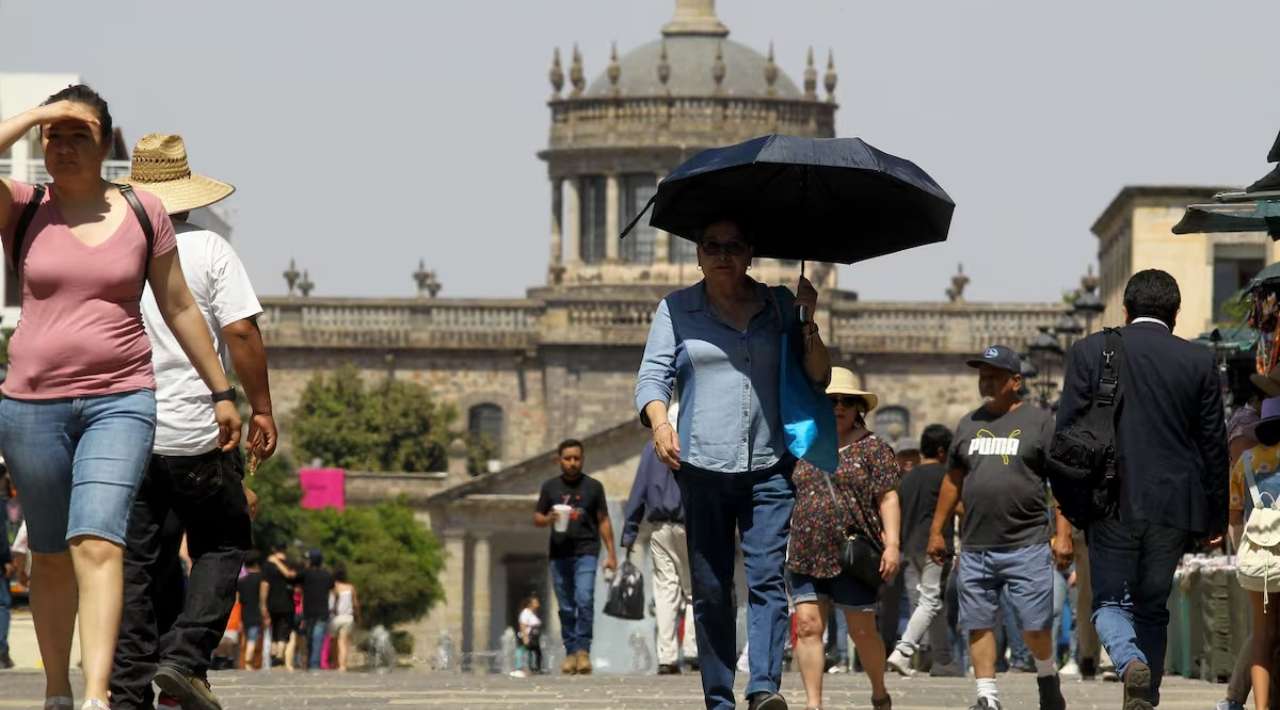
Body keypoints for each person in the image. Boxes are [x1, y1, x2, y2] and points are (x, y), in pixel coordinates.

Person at [0, 85, 241, 710]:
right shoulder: (22, 205)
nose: (64, 145)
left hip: (121, 398)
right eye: (55, 136)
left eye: (80, 133)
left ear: (106, 142)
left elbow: (180, 304)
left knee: (99, 541)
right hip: (32, 404)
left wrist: (223, 390)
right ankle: (58, 690)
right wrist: (36, 114)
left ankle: (99, 696)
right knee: (51, 553)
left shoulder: (142, 211)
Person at [109, 133, 276, 710]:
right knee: (223, 540)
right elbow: (240, 331)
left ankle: (127, 689)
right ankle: (184, 658)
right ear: (184, 194)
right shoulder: (208, 251)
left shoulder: (109, 247)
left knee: (136, 565)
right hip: (195, 430)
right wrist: (261, 406)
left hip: (123, 430)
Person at [635, 218, 831, 710]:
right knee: (711, 586)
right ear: (698, 255)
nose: (723, 255)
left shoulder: (780, 306)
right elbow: (652, 378)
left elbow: (820, 376)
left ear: (750, 254)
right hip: (702, 465)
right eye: (712, 246)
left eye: (734, 246)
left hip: (769, 464)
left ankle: (764, 686)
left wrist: (807, 320)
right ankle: (718, 696)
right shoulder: (676, 310)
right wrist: (660, 424)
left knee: (766, 577)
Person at [1057, 269, 1229, 710]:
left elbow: (1066, 437)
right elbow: (1213, 445)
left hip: (1110, 501)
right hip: (1174, 507)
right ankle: (1145, 699)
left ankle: (1130, 663)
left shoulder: (1089, 352)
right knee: (1153, 607)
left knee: (1110, 601)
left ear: (1126, 310)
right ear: (1175, 314)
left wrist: (1071, 508)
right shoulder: (1198, 361)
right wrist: (1215, 515)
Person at [928, 345, 1072, 710]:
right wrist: (937, 529)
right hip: (976, 545)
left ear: (1016, 381)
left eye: (993, 375)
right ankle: (987, 696)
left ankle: (1045, 675)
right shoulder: (968, 424)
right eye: (982, 375)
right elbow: (952, 481)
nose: (986, 381)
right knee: (978, 623)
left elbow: (1062, 483)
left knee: (1034, 627)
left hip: (1027, 543)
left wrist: (1064, 532)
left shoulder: (1040, 423)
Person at [786, 370, 900, 710]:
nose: (839, 407)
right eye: (831, 400)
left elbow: (889, 498)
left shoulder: (874, 448)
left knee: (861, 631)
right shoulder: (801, 445)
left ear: (858, 408)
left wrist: (892, 544)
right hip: (806, 551)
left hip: (853, 553)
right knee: (807, 627)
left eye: (847, 401)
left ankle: (879, 690)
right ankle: (813, 704)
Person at [621, 404, 697, 675]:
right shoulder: (694, 445)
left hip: (658, 529)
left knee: (665, 591)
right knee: (693, 589)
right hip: (692, 526)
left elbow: (638, 491)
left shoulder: (650, 450)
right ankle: (692, 650)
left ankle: (666, 656)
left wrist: (629, 531)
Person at [533, 439, 618, 675]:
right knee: (567, 606)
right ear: (559, 460)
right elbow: (537, 518)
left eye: (576, 458)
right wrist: (549, 518)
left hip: (587, 551)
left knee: (584, 598)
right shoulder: (550, 487)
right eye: (567, 458)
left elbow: (603, 519)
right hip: (559, 554)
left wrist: (611, 553)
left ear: (582, 459)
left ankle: (583, 651)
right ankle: (570, 652)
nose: (572, 463)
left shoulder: (593, 487)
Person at [887, 424, 959, 677]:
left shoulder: (907, 479)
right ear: (942, 450)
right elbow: (960, 508)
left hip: (912, 547)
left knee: (933, 602)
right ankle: (903, 652)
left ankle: (943, 660)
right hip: (935, 547)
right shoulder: (945, 475)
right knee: (930, 601)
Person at [1228, 396, 1280, 710]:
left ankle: (1260, 707)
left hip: (1259, 557)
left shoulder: (1244, 462)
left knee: (1261, 636)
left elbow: (1234, 515)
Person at [1221, 378, 1269, 710]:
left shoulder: (1247, 456)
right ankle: (1238, 698)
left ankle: (1248, 702)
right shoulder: (1243, 430)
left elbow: (1235, 512)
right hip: (1265, 545)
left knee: (1263, 629)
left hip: (1259, 546)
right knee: (1266, 630)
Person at [260, 546, 298, 669]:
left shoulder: (268, 565)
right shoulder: (292, 563)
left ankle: (274, 656)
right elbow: (293, 577)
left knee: (274, 631)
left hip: (272, 603)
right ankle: (279, 658)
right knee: (283, 632)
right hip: (287, 604)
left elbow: (265, 585)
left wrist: (263, 604)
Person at [300, 550, 335, 670]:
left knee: (309, 637)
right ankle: (314, 664)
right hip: (322, 611)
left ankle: (310, 663)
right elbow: (331, 588)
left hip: (308, 611)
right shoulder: (327, 575)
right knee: (317, 638)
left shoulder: (305, 574)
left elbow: (296, 579)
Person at [330, 565, 359, 672]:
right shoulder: (351, 587)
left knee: (333, 641)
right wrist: (358, 617)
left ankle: (334, 662)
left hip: (336, 618)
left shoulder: (333, 587)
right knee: (343, 642)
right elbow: (355, 604)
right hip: (348, 617)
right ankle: (343, 666)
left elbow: (331, 603)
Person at [237, 552, 265, 670]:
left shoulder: (241, 581)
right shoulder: (261, 579)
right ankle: (248, 662)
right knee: (253, 638)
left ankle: (244, 661)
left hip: (244, 612)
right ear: (257, 563)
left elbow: (238, 600)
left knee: (246, 637)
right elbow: (263, 598)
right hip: (256, 612)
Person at [511, 594, 543, 677]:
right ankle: (521, 667)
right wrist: (525, 637)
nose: (538, 604)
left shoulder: (533, 613)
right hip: (527, 636)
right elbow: (522, 625)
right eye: (536, 602)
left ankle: (534, 668)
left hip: (534, 637)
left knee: (535, 653)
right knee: (524, 651)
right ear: (530, 604)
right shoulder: (525, 613)